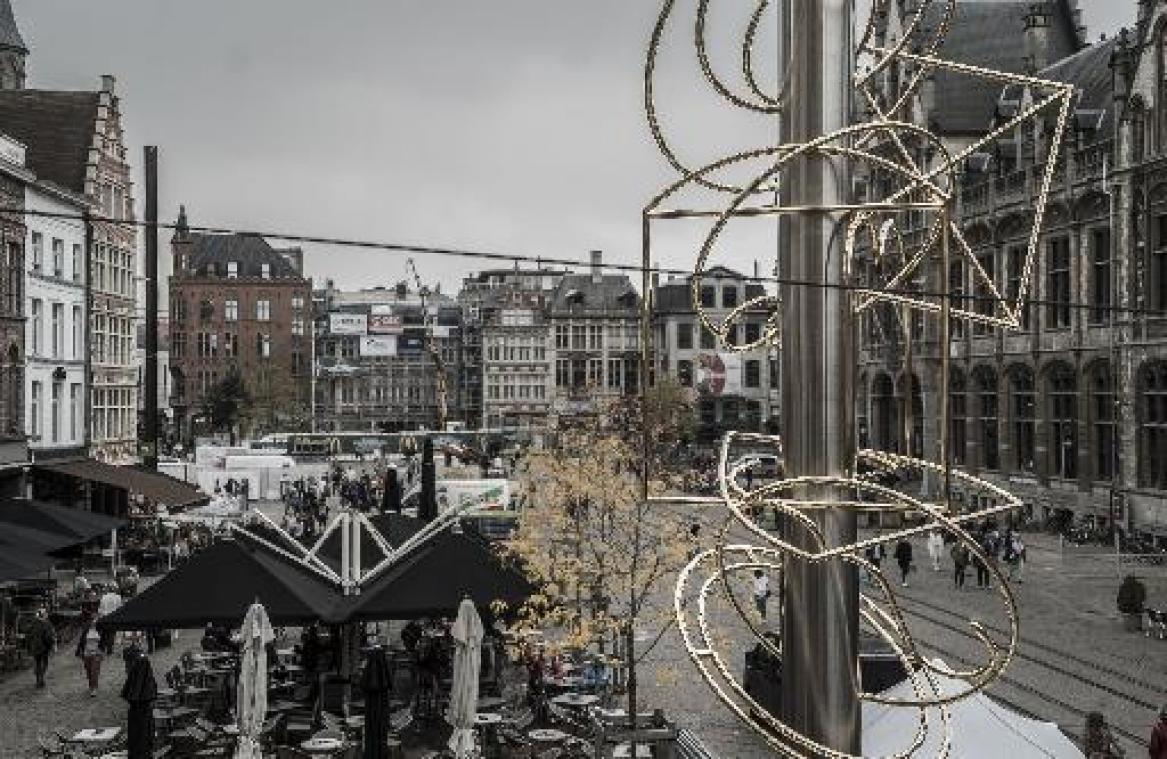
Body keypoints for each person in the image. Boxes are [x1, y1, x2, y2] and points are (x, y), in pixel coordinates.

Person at [25, 607, 55, 688]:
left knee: (38, 663)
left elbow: (28, 636)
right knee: (44, 663)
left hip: (35, 647)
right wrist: (50, 646)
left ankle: (38, 679)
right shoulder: (47, 624)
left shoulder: (33, 623)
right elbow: (48, 637)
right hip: (44, 648)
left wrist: (29, 646)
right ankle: (41, 679)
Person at [76, 614, 104, 696]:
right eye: (93, 620)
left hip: (96, 653)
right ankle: (91, 686)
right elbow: (81, 641)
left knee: (94, 671)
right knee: (88, 671)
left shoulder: (100, 630)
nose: (94, 622)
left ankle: (94, 688)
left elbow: (104, 641)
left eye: (96, 620)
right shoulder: (86, 630)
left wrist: (103, 650)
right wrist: (79, 651)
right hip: (86, 653)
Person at [97, 585, 123, 653]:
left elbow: (100, 608)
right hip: (113, 618)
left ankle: (102, 648)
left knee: (104, 633)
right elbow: (119, 609)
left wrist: (100, 616)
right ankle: (109, 649)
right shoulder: (118, 597)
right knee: (111, 634)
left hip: (105, 617)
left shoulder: (104, 597)